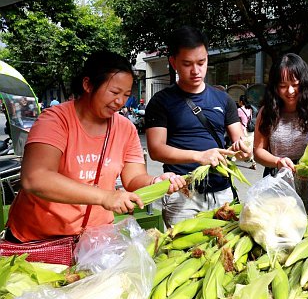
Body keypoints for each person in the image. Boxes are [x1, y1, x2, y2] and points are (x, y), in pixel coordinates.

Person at [4, 51, 185, 243]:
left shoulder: (126, 129)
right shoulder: (55, 120)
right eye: (114, 92)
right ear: (88, 85)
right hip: (38, 239)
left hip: (92, 241)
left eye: (125, 95)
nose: (120, 101)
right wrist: (105, 197)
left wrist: (156, 181)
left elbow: (133, 178)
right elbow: (36, 178)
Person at [145, 25, 251, 227]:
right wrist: (198, 156)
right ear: (173, 62)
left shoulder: (224, 99)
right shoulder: (161, 102)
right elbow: (156, 150)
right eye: (187, 64)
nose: (196, 70)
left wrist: (244, 151)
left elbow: (240, 141)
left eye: (201, 62)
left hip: (222, 193)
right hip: (183, 196)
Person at [253, 53, 308, 217]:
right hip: (276, 181)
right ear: (275, 87)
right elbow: (258, 151)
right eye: (283, 86)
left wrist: (306, 167)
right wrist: (278, 162)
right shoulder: (267, 112)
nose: (290, 91)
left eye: (295, 84)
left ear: (304, 83)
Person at [237, 94, 257, 170]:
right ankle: (253, 162)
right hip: (251, 129)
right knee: (250, 146)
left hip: (243, 130)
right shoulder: (250, 109)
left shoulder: (239, 110)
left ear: (241, 102)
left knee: (241, 144)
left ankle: (233, 159)